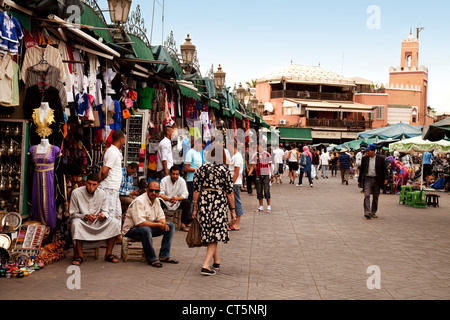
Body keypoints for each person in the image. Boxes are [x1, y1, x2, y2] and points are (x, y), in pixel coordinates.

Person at [192, 147, 236, 276]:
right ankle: (205, 265)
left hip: (204, 203)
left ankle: (216, 261)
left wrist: (195, 209)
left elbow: (196, 191)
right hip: (219, 203)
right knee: (215, 233)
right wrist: (233, 210)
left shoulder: (200, 169)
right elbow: (230, 193)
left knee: (209, 231)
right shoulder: (224, 170)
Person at [122, 181, 178, 268]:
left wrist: (163, 223)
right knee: (145, 229)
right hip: (131, 230)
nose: (153, 193)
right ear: (147, 190)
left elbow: (161, 216)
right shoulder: (139, 201)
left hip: (145, 228)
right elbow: (140, 223)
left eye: (156, 191)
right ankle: (151, 258)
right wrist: (159, 225)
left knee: (170, 225)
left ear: (159, 192)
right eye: (151, 190)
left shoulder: (157, 201)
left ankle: (164, 255)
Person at [69, 173, 121, 265]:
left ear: (98, 184)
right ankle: (80, 255)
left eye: (94, 184)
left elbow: (105, 211)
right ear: (85, 182)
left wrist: (103, 215)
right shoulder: (76, 193)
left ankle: (108, 254)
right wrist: (85, 216)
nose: (91, 187)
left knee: (114, 223)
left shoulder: (102, 193)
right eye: (89, 184)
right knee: (75, 224)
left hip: (97, 222)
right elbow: (72, 214)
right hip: (82, 222)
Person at [100, 130, 126, 247]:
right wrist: (100, 180)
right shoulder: (112, 152)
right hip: (109, 187)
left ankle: (117, 236)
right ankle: (107, 239)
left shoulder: (115, 151)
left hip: (113, 187)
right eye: (124, 139)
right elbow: (105, 170)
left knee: (116, 213)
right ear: (121, 139)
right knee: (110, 213)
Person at [358, 144, 388, 219]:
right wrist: (359, 181)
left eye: (368, 151)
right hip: (367, 178)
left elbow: (385, 170)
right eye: (367, 151)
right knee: (367, 195)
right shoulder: (364, 158)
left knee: (375, 196)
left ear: (373, 151)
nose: (367, 152)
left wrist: (386, 179)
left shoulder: (380, 159)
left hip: (377, 179)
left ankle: (373, 212)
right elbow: (361, 170)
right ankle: (367, 212)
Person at [159, 165, 192, 232]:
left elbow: (185, 194)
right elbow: (160, 194)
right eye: (173, 174)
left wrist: (176, 199)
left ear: (179, 174)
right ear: (170, 173)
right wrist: (169, 199)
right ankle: (161, 223)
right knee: (158, 201)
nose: (175, 176)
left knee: (187, 202)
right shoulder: (164, 180)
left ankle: (183, 224)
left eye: (177, 174)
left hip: (177, 201)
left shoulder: (182, 181)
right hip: (166, 200)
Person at [249, 142, 274, 213]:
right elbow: (252, 165)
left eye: (257, 147)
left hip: (265, 173)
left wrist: (271, 175)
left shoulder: (267, 154)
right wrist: (250, 172)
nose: (256, 149)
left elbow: (270, 165)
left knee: (266, 190)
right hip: (258, 174)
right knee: (259, 190)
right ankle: (261, 206)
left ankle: (268, 206)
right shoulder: (255, 155)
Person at [229, 139, 244, 231]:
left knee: (236, 202)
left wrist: (231, 183)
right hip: (234, 182)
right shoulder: (234, 156)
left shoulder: (237, 157)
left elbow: (237, 172)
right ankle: (233, 222)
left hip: (235, 183)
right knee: (232, 202)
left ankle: (237, 223)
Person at [185, 138, 203, 204]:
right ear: (197, 143)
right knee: (192, 199)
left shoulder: (198, 153)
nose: (202, 148)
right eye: (201, 146)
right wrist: (197, 170)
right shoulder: (190, 152)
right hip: (191, 179)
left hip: (198, 179)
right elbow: (186, 168)